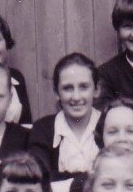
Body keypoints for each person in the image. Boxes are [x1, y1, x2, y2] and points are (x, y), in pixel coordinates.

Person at [27, 53, 102, 182]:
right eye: (68, 88)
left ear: (96, 90)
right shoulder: (43, 129)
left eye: (84, 87)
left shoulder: (108, 124)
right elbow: (40, 177)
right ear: (56, 93)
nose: (76, 97)